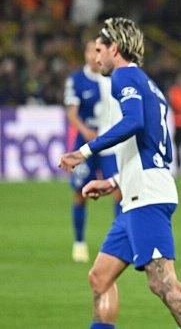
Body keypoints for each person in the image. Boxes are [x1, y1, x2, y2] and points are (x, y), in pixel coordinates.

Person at [58, 17, 181, 329]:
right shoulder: (147, 83)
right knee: (99, 278)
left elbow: (133, 122)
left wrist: (84, 151)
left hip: (147, 196)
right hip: (136, 194)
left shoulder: (123, 77)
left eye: (100, 50)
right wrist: (112, 181)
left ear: (116, 48)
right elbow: (145, 144)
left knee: (163, 284)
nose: (96, 58)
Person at [63, 39, 123, 263]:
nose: (94, 55)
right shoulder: (77, 79)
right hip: (85, 145)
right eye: (91, 51)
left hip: (109, 145)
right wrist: (85, 130)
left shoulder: (113, 77)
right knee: (80, 194)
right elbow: (72, 113)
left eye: (98, 50)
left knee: (118, 191)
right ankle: (79, 242)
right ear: (86, 54)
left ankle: (119, 242)